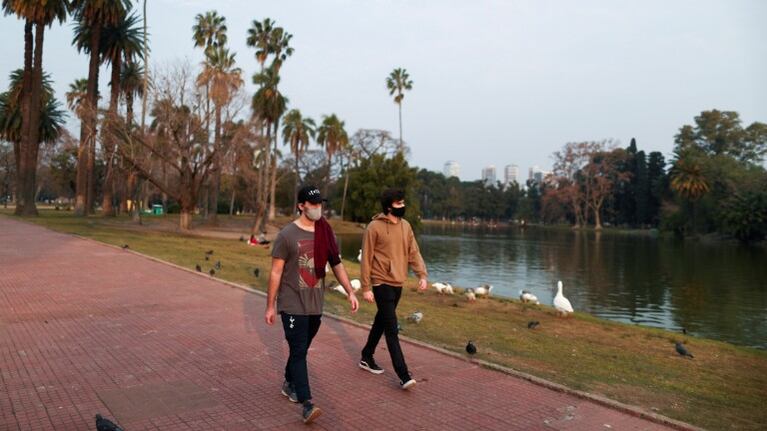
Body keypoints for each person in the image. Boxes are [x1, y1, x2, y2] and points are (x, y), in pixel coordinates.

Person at [265, 185, 360, 424]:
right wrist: (270, 305)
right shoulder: (287, 235)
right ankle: (307, 403)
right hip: (292, 302)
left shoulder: (325, 233)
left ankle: (289, 382)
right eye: (313, 204)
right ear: (301, 206)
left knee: (301, 348)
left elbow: (336, 264)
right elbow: (276, 273)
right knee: (298, 351)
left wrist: (350, 291)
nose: (318, 208)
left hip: (315, 303)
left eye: (320, 204)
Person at [358, 188, 428, 389]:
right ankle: (403, 374)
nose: (403, 206)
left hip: (398, 283)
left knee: (381, 320)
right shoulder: (374, 227)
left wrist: (421, 274)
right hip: (381, 283)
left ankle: (366, 356)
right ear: (389, 206)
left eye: (403, 203)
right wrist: (366, 287)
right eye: (399, 204)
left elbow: (414, 252)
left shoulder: (406, 226)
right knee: (391, 329)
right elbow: (366, 259)